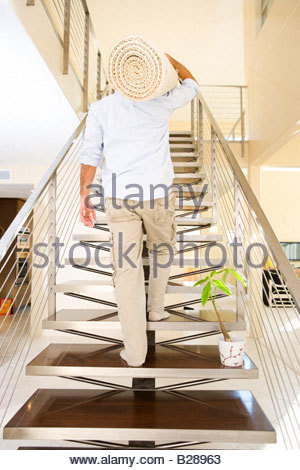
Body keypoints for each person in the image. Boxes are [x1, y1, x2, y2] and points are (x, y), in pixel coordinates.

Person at [79, 53, 200, 367]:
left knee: (127, 272)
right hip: (157, 194)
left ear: (116, 77)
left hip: (118, 196)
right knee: (162, 250)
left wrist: (85, 195)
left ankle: (134, 353)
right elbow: (192, 84)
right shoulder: (160, 102)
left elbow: (90, 153)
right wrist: (171, 59)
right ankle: (156, 308)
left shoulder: (101, 109)